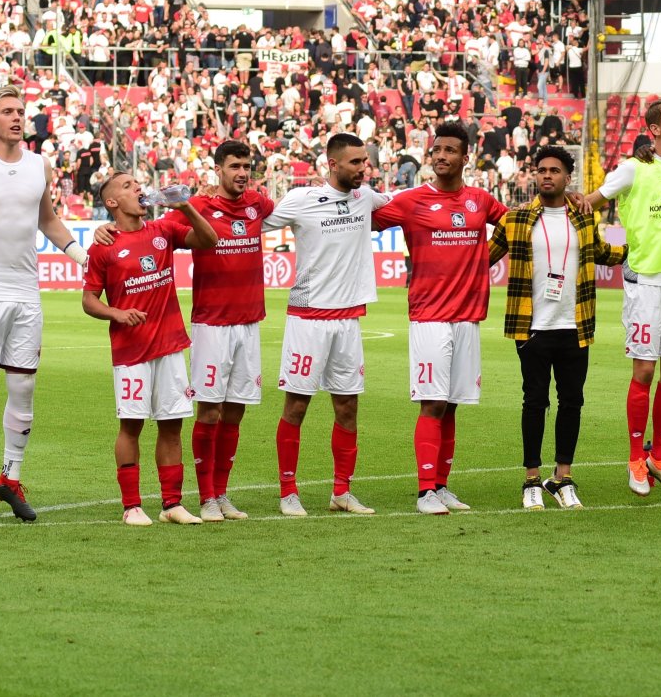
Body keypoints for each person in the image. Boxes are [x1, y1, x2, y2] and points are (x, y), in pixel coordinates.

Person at [0, 86, 91, 523]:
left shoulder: (38, 165)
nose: (15, 117)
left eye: (19, 111)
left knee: (24, 386)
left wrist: (83, 259)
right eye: (6, 111)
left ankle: (10, 477)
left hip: (27, 288)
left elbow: (47, 218)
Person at [373, 123, 508, 515]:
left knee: (451, 405)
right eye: (437, 150)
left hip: (468, 317)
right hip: (430, 316)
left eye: (450, 150)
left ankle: (442, 485)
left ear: (466, 157)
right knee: (432, 403)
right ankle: (424, 491)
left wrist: (486, 258)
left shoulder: (480, 201)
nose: (441, 157)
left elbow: (517, 224)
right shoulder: (411, 200)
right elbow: (362, 217)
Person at [488, 146, 627, 509]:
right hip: (531, 326)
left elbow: (602, 253)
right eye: (541, 170)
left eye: (554, 170)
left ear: (568, 178)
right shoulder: (515, 218)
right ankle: (531, 480)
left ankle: (563, 478)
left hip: (575, 325)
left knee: (572, 403)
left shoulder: (584, 217)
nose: (546, 175)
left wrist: (640, 247)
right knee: (534, 401)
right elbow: (481, 258)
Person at [262, 133, 393, 517]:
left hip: (348, 320)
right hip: (308, 319)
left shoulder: (366, 198)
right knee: (296, 406)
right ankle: (288, 492)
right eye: (355, 162)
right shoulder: (301, 200)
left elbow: (410, 199)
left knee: (348, 408)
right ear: (332, 164)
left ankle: (341, 492)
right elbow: (252, 224)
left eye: (364, 161)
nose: (362, 169)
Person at [83, 172, 219, 526]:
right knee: (131, 426)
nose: (138, 188)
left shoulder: (162, 231)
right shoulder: (103, 246)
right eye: (127, 187)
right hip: (131, 352)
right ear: (112, 202)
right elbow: (88, 299)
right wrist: (116, 312)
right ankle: (132, 505)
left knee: (172, 425)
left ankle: (172, 503)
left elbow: (208, 240)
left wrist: (185, 207)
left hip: (170, 346)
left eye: (137, 184)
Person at [586, 96, 661, 497]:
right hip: (646, 281)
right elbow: (592, 202)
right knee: (645, 372)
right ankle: (636, 456)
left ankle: (660, 456)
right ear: (654, 129)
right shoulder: (633, 169)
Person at [185, 141, 272, 521]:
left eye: (247, 166)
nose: (241, 173)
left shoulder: (259, 205)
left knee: (235, 412)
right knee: (209, 411)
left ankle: (222, 494)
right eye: (234, 165)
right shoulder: (199, 208)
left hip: (249, 323)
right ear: (217, 169)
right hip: (212, 324)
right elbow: (155, 230)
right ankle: (205, 498)